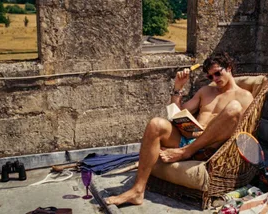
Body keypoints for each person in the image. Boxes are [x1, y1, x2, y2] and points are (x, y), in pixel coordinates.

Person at [105, 52, 254, 206]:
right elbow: (176, 115)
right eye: (210, 77)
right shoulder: (205, 91)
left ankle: (185, 152)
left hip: (209, 150)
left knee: (234, 107)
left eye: (217, 73)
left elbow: (242, 131)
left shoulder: (245, 96)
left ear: (228, 68)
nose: (215, 79)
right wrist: (178, 88)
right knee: (156, 124)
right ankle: (137, 191)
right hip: (187, 139)